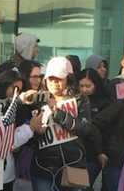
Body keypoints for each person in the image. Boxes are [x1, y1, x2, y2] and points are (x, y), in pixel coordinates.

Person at [30, 57, 102, 191]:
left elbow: (85, 128)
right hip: (43, 168)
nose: (54, 83)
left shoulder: (80, 99)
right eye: (51, 78)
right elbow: (28, 139)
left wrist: (58, 114)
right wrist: (34, 131)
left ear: (68, 78)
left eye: (59, 78)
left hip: (72, 165)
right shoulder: (37, 99)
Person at [78, 68, 110, 189]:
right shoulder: (75, 101)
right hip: (75, 154)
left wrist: (101, 151)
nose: (84, 90)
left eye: (88, 86)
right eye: (81, 86)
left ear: (96, 85)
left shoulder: (105, 103)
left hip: (94, 154)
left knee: (84, 185)